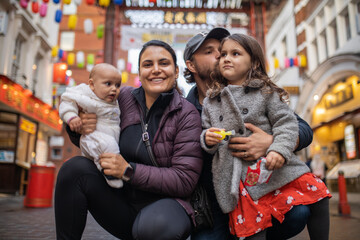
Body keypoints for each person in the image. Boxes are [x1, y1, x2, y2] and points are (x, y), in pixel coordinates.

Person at [55, 40, 203, 240]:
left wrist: (129, 170)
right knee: (74, 169)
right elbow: (95, 136)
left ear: (176, 71)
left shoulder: (187, 114)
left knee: (153, 229)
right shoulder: (122, 98)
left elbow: (185, 180)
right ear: (140, 72)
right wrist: (79, 126)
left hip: (168, 207)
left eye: (164, 63)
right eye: (148, 64)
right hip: (121, 199)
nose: (156, 70)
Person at [183, 28, 315, 240]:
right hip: (215, 202)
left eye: (226, 51)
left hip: (260, 188)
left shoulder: (256, 91)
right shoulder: (185, 109)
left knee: (299, 213)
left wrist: (271, 143)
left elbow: (302, 128)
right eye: (211, 51)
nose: (221, 55)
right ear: (191, 65)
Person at [59, 63, 123, 188]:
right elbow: (67, 100)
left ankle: (106, 171)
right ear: (92, 84)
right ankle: (108, 172)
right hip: (93, 136)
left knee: (111, 147)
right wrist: (72, 117)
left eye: (117, 85)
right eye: (108, 84)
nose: (114, 89)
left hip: (109, 135)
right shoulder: (86, 94)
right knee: (108, 145)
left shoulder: (115, 100)